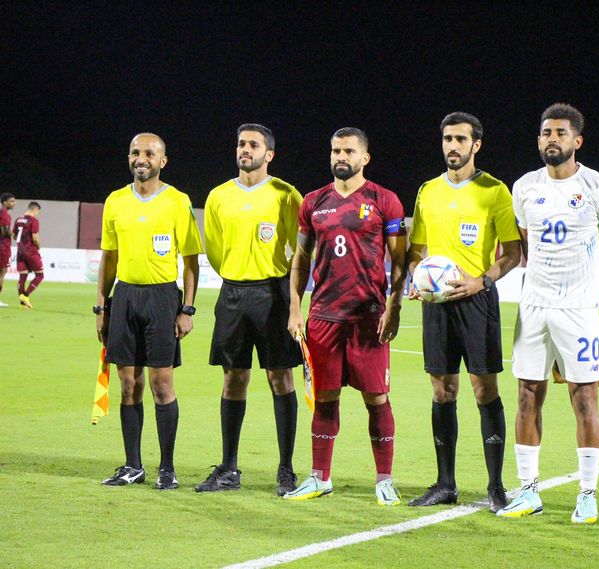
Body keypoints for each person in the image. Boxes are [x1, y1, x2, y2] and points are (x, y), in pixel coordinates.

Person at [496, 103, 599, 523]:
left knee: (584, 398)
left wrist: (594, 294)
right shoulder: (523, 188)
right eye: (545, 132)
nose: (551, 139)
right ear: (538, 139)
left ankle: (587, 494)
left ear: (577, 141)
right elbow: (526, 244)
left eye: (560, 133)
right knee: (526, 394)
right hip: (533, 306)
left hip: (578, 311)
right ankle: (529, 491)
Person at [285, 127, 407, 506]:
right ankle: (319, 477)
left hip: (369, 318)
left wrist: (393, 306)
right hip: (323, 316)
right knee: (325, 399)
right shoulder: (313, 202)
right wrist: (295, 309)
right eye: (336, 150)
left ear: (364, 158)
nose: (341, 156)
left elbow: (399, 261)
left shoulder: (384, 201)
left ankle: (384, 480)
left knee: (376, 398)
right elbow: (300, 260)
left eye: (349, 151)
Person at [407, 112, 521, 513]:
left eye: (460, 139)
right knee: (442, 390)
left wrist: (482, 281)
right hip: (437, 306)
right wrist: (414, 280)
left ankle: (495, 486)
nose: (452, 146)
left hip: (477, 302)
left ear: (476, 145)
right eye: (446, 139)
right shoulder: (427, 191)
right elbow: (415, 250)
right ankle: (445, 484)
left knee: (483, 390)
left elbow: (513, 253)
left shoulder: (494, 191)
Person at [196, 124, 304, 496]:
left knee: (280, 378)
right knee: (233, 379)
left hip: (274, 295)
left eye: (253, 145)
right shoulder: (218, 196)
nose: (245, 149)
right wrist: (236, 273)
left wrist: (293, 300)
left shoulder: (286, 195)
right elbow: (213, 247)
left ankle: (286, 469)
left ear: (269, 154)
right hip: (233, 294)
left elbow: (300, 251)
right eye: (241, 143)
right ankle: (228, 468)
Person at [96, 133, 202, 490]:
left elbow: (190, 262)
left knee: (161, 384)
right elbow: (108, 258)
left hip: (161, 299)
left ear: (162, 161)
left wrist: (186, 308)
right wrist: (102, 306)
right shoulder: (115, 201)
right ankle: (132, 465)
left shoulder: (177, 201)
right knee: (128, 385)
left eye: (149, 153)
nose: (141, 158)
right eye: (135, 152)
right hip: (124, 296)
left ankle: (167, 469)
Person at [13, 201, 45, 309]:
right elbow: (35, 238)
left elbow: (14, 235)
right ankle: (25, 295)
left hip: (20, 251)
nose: (37, 214)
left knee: (23, 276)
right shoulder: (33, 221)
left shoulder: (18, 220)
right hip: (31, 251)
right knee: (40, 275)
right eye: (38, 212)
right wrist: (38, 246)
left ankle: (22, 304)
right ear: (35, 209)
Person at [0, 192, 15, 307]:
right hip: (2, 247)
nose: (13, 203)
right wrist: (14, 233)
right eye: (11, 201)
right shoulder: (4, 214)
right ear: (4, 202)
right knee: (1, 273)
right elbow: (4, 232)